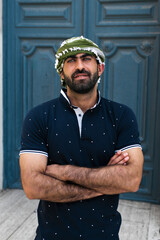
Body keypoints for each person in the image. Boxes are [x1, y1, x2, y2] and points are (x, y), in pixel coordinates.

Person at [19, 36, 144, 240]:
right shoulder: (39, 117)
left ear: (100, 68)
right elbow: (33, 187)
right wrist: (106, 181)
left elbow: (131, 180)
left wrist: (64, 171)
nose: (79, 66)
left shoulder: (121, 115)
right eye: (71, 60)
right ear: (61, 72)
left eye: (86, 59)